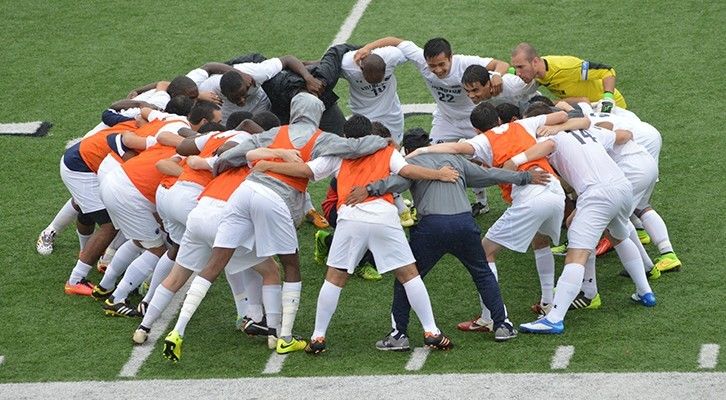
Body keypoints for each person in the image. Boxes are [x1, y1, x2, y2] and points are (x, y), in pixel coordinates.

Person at [164, 93, 390, 355]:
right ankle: (284, 337)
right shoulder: (323, 138)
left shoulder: (274, 132)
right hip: (276, 199)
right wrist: (384, 140)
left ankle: (177, 330)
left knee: (216, 261)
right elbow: (358, 147)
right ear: (317, 114)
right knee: (291, 265)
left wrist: (220, 164)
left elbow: (232, 156)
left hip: (244, 192)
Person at [252, 122, 462, 354]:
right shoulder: (386, 151)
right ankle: (431, 331)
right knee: (409, 275)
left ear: (344, 136)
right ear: (371, 135)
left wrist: (266, 165)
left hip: (350, 219)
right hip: (383, 217)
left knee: (334, 278)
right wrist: (439, 174)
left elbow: (306, 172)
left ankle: (318, 337)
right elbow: (408, 172)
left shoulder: (339, 154)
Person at [352, 128, 550, 348]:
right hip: (464, 224)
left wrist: (368, 189)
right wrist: (524, 177)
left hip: (432, 228)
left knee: (407, 279)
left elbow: (393, 184)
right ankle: (503, 324)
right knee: (482, 273)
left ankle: (399, 334)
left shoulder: (410, 166)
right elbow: (490, 175)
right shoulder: (454, 160)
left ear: (408, 150)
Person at [407, 102, 567, 329]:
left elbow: (453, 149)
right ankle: (547, 303)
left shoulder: (482, 140)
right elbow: (561, 115)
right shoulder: (523, 124)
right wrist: (553, 128)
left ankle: (490, 317)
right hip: (554, 190)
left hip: (532, 195)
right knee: (540, 240)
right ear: (500, 120)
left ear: (476, 130)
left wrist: (421, 151)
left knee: (486, 252)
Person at [512, 103, 655, 335]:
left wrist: (508, 164)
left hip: (596, 194)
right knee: (619, 235)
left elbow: (525, 160)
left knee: (576, 254)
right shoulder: (589, 132)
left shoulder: (549, 141)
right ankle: (645, 291)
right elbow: (624, 135)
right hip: (622, 188)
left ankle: (555, 318)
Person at [355, 36, 510, 216]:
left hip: (473, 120)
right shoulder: (419, 58)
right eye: (432, 66)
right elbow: (395, 40)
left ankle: (483, 202)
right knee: (432, 158)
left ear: (451, 57)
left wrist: (498, 75)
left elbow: (501, 64)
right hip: (445, 120)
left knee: (487, 159)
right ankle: (431, 202)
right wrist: (368, 48)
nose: (437, 70)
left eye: (442, 64)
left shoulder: (465, 62)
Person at [510, 43, 626, 112]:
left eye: (520, 67)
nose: (518, 73)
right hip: (588, 106)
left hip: (608, 104)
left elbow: (607, 71)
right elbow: (511, 71)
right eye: (516, 67)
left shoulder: (567, 67)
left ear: (535, 61)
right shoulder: (535, 72)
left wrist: (608, 98)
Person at [340, 46, 408, 143]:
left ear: (386, 66)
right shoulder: (347, 65)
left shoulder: (392, 56)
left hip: (391, 114)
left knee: (393, 147)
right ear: (361, 69)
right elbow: (326, 66)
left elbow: (404, 45)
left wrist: (369, 46)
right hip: (364, 118)